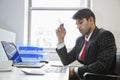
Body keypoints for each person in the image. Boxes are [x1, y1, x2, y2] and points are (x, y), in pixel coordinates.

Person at [55, 8, 117, 80]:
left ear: (91, 20)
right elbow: (66, 61)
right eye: (77, 24)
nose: (78, 26)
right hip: (86, 77)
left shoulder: (104, 35)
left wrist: (76, 70)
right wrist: (60, 40)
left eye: (80, 22)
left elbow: (102, 65)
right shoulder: (80, 40)